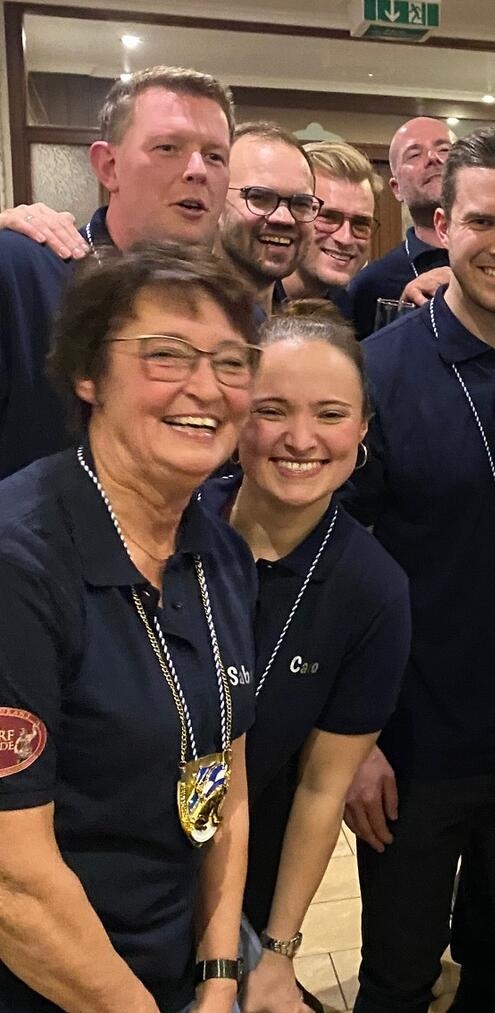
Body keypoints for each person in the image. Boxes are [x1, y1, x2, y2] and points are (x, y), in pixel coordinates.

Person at [342, 126, 495, 1013]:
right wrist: (357, 740)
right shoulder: (372, 374)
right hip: (413, 742)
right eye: (484, 220)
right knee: (399, 976)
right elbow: (337, 566)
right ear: (443, 224)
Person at [0, 242, 259, 1012]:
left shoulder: (219, 549)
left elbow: (227, 776)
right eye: (166, 354)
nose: (206, 387)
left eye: (232, 361)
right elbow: (13, 880)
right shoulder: (22, 564)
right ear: (87, 372)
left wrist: (218, 977)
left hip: (178, 969)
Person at [195, 303, 411, 1013]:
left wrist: (279, 953)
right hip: (108, 860)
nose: (300, 438)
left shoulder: (373, 589)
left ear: (363, 431)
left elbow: (323, 791)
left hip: (241, 885)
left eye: (329, 414)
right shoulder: (171, 530)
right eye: (273, 409)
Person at [0, 65, 234, 478]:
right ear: (108, 166)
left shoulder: (235, 314)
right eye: (168, 148)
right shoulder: (21, 272)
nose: (198, 169)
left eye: (215, 156)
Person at [347, 117, 453, 338]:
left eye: (444, 150)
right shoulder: (370, 284)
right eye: (414, 154)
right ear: (396, 189)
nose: (433, 158)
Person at [218, 122, 321, 317]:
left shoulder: (298, 336)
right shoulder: (174, 325)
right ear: (215, 199)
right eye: (259, 197)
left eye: (301, 203)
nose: (284, 218)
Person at [278, 142, 383, 317]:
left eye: (360, 223)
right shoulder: (239, 308)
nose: (345, 238)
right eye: (328, 217)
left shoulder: (357, 315)